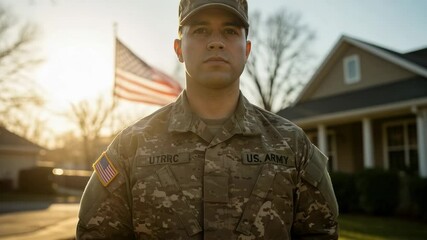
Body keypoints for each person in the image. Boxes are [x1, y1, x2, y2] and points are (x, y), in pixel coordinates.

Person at [76, 0, 339, 239]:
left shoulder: (292, 145)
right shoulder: (130, 146)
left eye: (230, 31)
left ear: (246, 50)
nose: (216, 42)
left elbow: (321, 232)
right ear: (179, 49)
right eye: (201, 30)